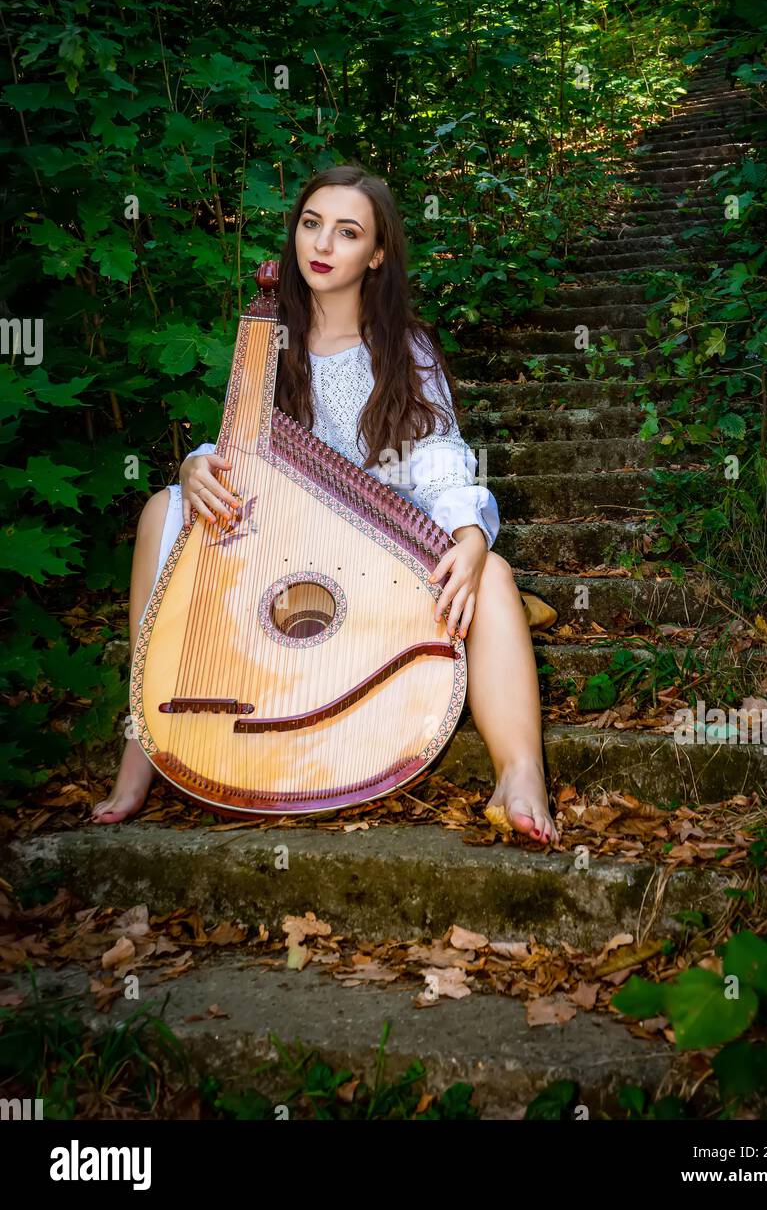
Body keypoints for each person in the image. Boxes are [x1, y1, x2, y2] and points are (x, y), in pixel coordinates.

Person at [91, 164, 559, 844]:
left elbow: (438, 454)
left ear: (375, 255)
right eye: (312, 223)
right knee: (163, 511)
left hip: (377, 559)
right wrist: (197, 467)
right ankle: (146, 742)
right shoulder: (266, 338)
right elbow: (237, 441)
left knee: (492, 576)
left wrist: (468, 532)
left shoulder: (403, 346)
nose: (323, 243)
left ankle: (520, 772)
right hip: (282, 549)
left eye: (347, 232)